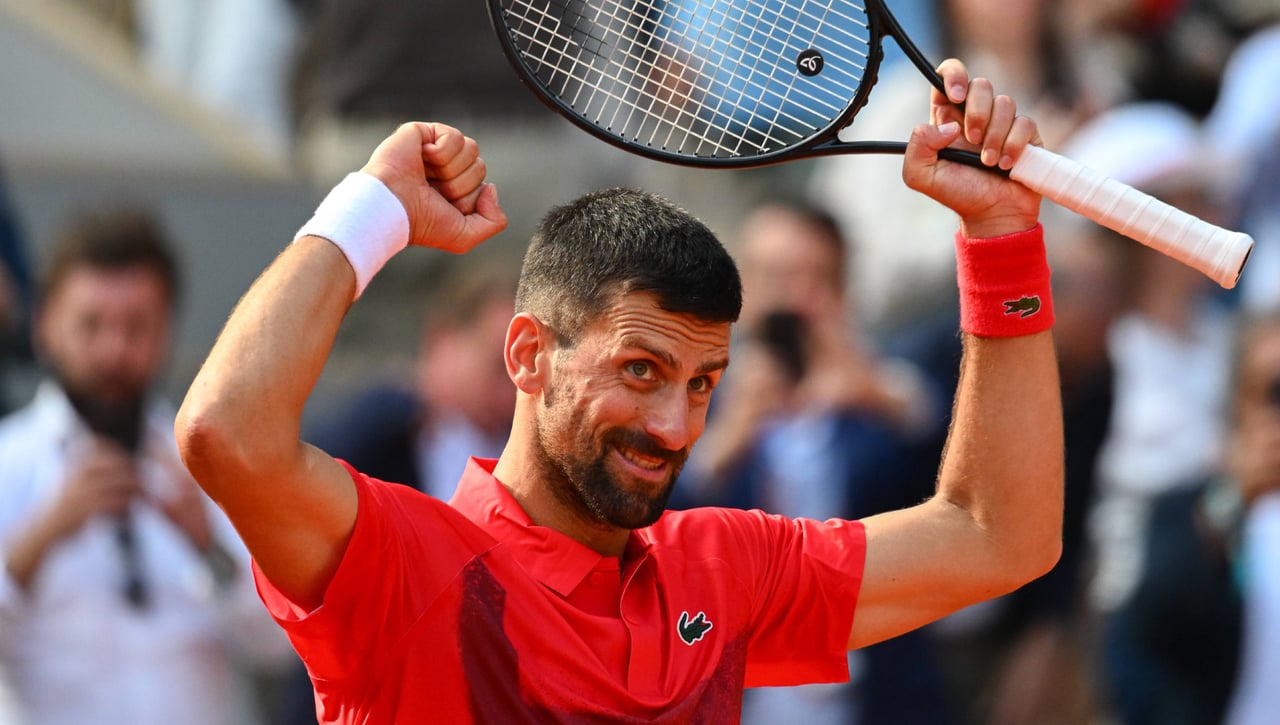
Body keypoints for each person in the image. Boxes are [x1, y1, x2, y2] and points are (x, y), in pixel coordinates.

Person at [175, 59, 1064, 722]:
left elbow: (999, 536)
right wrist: (371, 211)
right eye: (640, 371)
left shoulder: (720, 570)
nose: (673, 425)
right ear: (528, 356)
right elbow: (226, 433)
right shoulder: (410, 567)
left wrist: (1000, 237)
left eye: (704, 382)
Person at [0, 208, 291, 725]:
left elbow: (279, 646)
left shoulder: (213, 463)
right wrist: (41, 537)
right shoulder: (8, 463)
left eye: (137, 326)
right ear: (46, 326)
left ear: (167, 331)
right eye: (90, 324)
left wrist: (206, 543)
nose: (115, 349)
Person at [678, 199, 954, 724]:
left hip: (877, 695)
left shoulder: (881, 394)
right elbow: (660, 525)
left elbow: (953, 477)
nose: (793, 297)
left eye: (814, 278)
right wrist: (729, 437)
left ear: (842, 291)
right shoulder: (693, 398)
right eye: (776, 276)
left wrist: (874, 392)